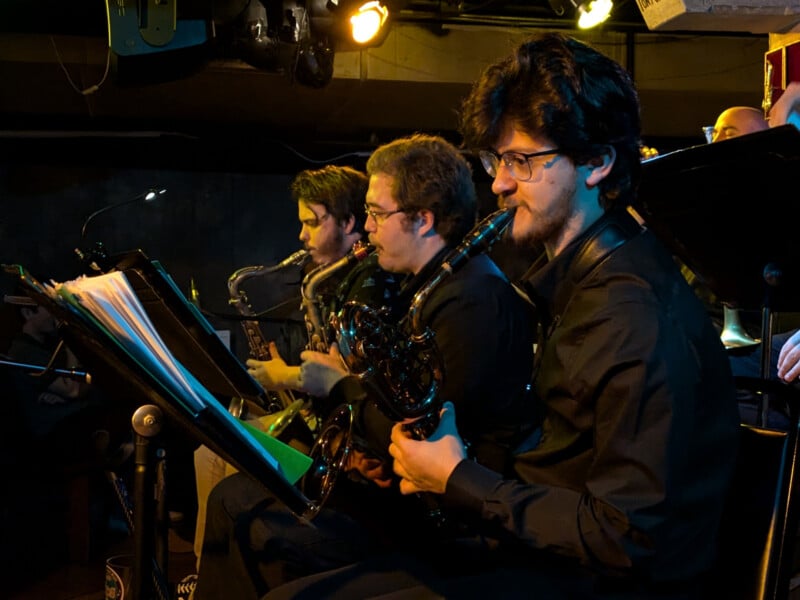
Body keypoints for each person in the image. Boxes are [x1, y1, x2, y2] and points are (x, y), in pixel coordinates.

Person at [260, 32, 741, 599]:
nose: (498, 183)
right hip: (536, 553)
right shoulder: (586, 284)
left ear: (596, 162)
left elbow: (626, 537)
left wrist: (456, 478)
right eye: (497, 159)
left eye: (521, 161)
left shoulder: (632, 316)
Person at [191, 132, 537, 600]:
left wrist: (340, 388)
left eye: (376, 214)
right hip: (404, 494)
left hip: (440, 524)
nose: (367, 228)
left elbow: (430, 442)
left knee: (241, 511)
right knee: (235, 498)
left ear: (423, 220)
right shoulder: (434, 287)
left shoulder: (472, 301)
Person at [191, 164, 402, 567]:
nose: (301, 236)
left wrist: (284, 376)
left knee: (216, 460)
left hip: (352, 441)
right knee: (210, 447)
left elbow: (350, 375)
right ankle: (212, 570)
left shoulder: (369, 282)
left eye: (312, 223)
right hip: (329, 424)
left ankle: (215, 571)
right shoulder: (329, 280)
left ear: (350, 223)